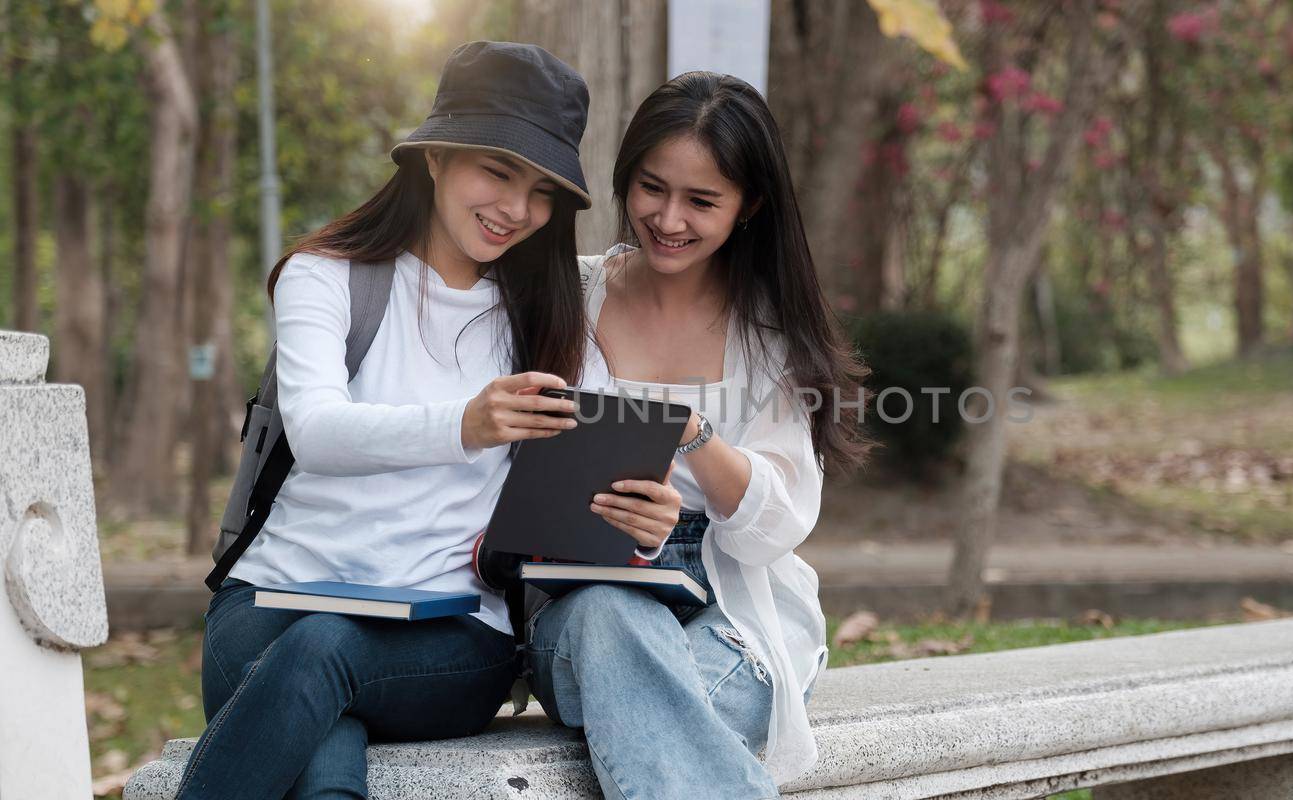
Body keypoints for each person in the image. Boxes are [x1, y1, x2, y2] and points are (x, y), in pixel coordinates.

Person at [176, 42, 682, 800]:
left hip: (450, 641)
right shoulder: (326, 277)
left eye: (543, 191)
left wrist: (647, 519)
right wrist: (466, 424)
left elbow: (600, 472)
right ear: (435, 157)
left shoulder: (550, 321)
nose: (517, 209)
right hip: (269, 608)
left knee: (325, 655)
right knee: (323, 746)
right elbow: (314, 431)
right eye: (498, 171)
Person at [523, 71, 874, 799]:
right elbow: (502, 474)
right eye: (652, 187)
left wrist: (689, 437)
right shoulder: (565, 295)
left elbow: (773, 527)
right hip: (585, 608)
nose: (668, 217)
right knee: (612, 616)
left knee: (647, 726)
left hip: (738, 611)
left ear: (749, 207)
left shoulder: (772, 338)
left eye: (702, 201)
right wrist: (619, 528)